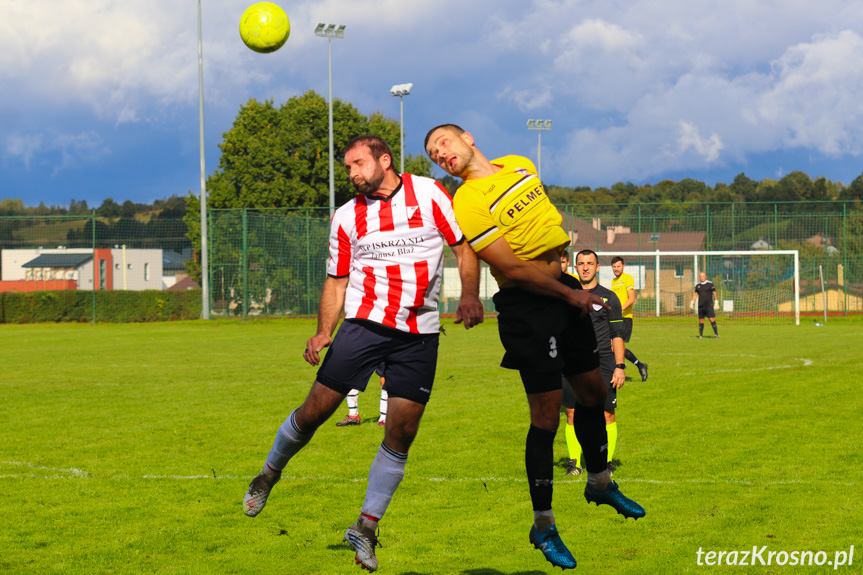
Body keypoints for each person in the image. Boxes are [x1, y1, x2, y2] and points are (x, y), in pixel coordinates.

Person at [242, 135, 484, 572]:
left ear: (384, 160)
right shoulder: (346, 216)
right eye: (348, 166)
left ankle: (366, 528)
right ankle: (269, 473)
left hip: (420, 335)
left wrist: (469, 295)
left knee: (402, 433)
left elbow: (464, 248)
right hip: (364, 326)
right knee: (315, 411)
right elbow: (336, 281)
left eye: (357, 163)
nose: (351, 173)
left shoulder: (428, 193)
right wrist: (322, 331)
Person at [425, 124, 645, 571]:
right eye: (432, 154)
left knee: (593, 395)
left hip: (565, 290)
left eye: (443, 143)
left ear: (468, 137)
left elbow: (545, 229)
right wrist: (574, 295)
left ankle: (599, 483)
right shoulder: (464, 200)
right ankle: (543, 524)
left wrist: (569, 285)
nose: (439, 154)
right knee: (545, 418)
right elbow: (510, 266)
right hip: (528, 305)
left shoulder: (521, 166)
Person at [571, 249, 626, 475]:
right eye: (581, 263)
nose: (585, 267)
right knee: (573, 413)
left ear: (597, 267)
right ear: (575, 267)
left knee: (607, 414)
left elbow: (617, 334)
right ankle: (574, 463)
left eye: (590, 263)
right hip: (573, 364)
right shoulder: (568, 295)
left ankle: (607, 462)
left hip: (603, 361)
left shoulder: (609, 297)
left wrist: (620, 366)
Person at [610, 257, 648, 382]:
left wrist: (619, 309)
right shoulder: (613, 282)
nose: (616, 269)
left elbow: (631, 299)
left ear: (623, 266)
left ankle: (636, 365)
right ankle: (638, 365)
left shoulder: (627, 278)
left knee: (617, 346)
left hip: (625, 318)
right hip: (615, 318)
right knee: (613, 346)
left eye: (618, 266)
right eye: (614, 266)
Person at [691, 271, 719, 338]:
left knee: (711, 319)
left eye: (703, 276)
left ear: (706, 277)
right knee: (701, 320)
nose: (702, 277)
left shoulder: (710, 284)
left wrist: (716, 301)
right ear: (699, 277)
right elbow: (695, 294)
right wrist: (692, 302)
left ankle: (716, 334)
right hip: (701, 306)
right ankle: (700, 335)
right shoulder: (698, 286)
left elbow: (714, 293)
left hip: (709, 305)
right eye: (701, 276)